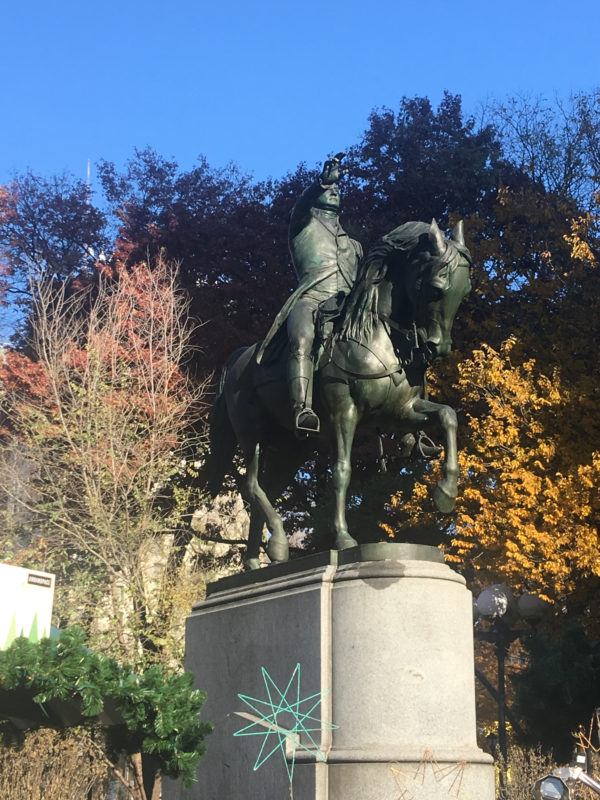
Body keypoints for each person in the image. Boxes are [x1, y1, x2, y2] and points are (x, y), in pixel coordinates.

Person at [256, 153, 362, 435]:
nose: (335, 192)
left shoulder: (354, 245)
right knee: (302, 338)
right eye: (330, 189)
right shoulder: (302, 225)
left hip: (346, 308)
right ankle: (302, 408)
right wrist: (320, 183)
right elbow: (302, 205)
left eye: (338, 190)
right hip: (312, 301)